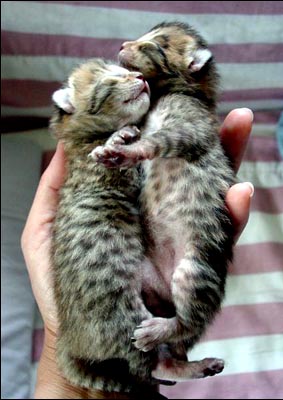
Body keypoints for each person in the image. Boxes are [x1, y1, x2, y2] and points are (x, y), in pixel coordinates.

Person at [21, 108, 254, 399]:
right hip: (128, 261)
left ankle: (164, 357)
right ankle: (162, 361)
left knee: (187, 288)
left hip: (151, 257)